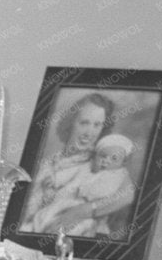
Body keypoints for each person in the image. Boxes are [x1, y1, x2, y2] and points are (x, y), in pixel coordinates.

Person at [21, 91, 117, 233]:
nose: (89, 133)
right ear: (71, 122)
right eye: (84, 123)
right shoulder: (46, 165)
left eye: (97, 125)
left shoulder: (100, 168)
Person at [36, 133, 138, 238]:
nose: (106, 161)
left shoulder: (116, 176)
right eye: (103, 156)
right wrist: (53, 181)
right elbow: (65, 175)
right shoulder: (86, 167)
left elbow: (107, 194)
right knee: (45, 217)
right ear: (96, 155)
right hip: (64, 204)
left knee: (79, 227)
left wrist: (87, 199)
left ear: (122, 163)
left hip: (90, 213)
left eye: (114, 159)